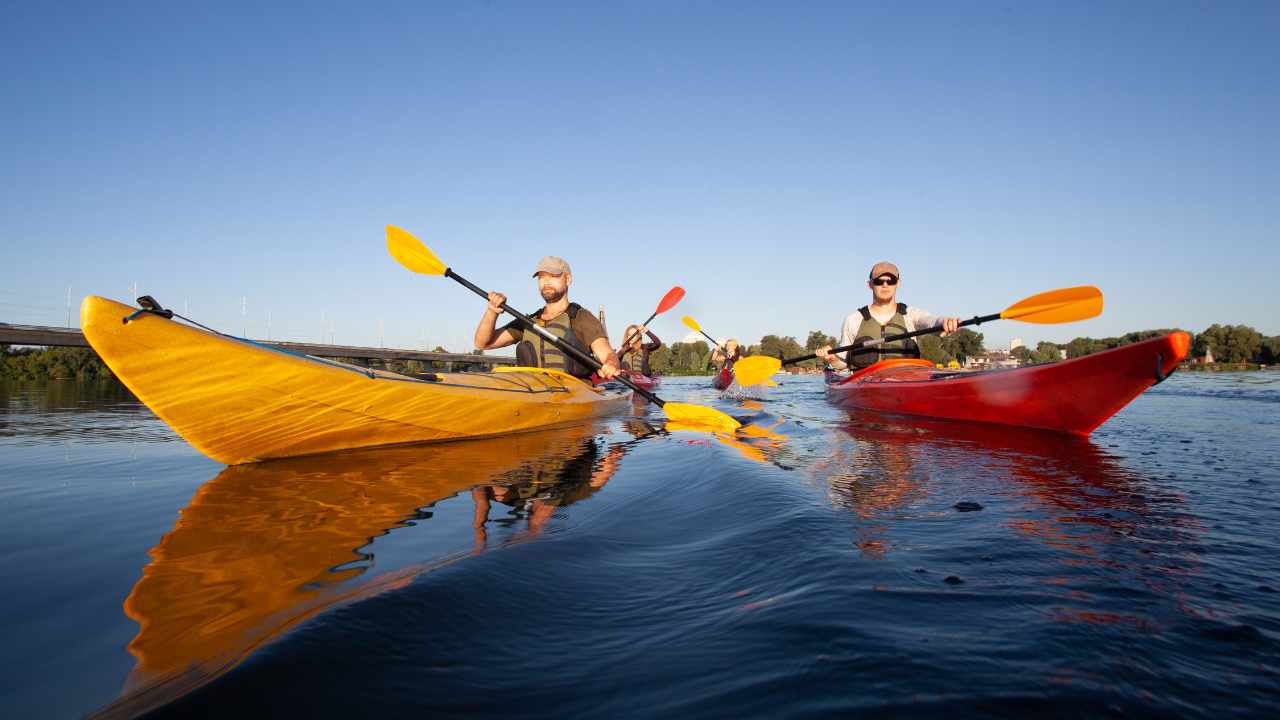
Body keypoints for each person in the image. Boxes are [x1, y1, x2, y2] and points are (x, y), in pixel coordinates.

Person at [474, 255, 622, 380]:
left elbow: (608, 354)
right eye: (542, 277)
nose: (546, 282)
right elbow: (483, 343)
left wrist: (611, 364)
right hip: (534, 391)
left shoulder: (581, 318)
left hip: (573, 394)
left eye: (554, 276)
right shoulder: (528, 321)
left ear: (568, 279)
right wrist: (492, 311)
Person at [816, 261, 961, 371]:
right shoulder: (853, 319)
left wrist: (945, 322)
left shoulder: (911, 315)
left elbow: (932, 322)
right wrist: (832, 358)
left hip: (906, 382)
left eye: (890, 281)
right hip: (865, 386)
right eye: (879, 281)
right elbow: (843, 363)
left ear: (898, 284)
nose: (885, 285)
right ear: (870, 285)